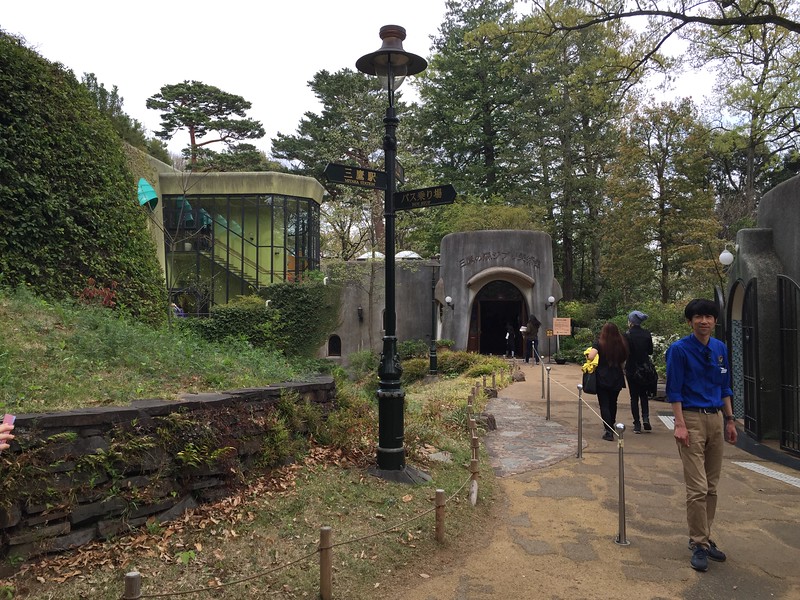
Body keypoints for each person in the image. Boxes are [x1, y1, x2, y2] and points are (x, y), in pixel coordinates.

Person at [666, 298, 737, 573]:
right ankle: (698, 543)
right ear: (690, 321)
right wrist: (680, 424)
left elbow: (725, 386)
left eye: (708, 316)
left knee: (711, 485)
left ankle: (704, 537)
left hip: (716, 419)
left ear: (715, 321)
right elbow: (674, 389)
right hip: (692, 418)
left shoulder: (720, 348)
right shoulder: (679, 350)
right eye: (698, 317)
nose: (704, 321)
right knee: (696, 486)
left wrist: (730, 420)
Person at [586, 323, 629, 441]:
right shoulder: (621, 344)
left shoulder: (599, 343)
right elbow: (623, 359)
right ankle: (612, 424)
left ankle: (608, 430)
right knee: (613, 402)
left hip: (603, 377)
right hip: (617, 376)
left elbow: (591, 356)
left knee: (604, 404)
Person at [624, 310, 654, 434]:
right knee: (644, 395)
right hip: (645, 368)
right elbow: (650, 351)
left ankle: (637, 424)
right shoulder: (647, 334)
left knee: (633, 397)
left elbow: (625, 352)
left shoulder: (627, 334)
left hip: (632, 369)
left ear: (631, 321)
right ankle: (646, 417)